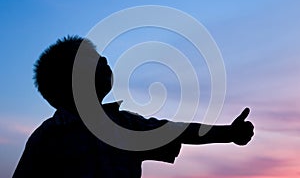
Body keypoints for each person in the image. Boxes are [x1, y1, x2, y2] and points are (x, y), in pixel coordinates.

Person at [13, 36, 254, 178]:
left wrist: (228, 133)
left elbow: (176, 130)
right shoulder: (48, 137)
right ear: (67, 82)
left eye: (100, 56)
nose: (104, 60)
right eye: (90, 60)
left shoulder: (125, 125)